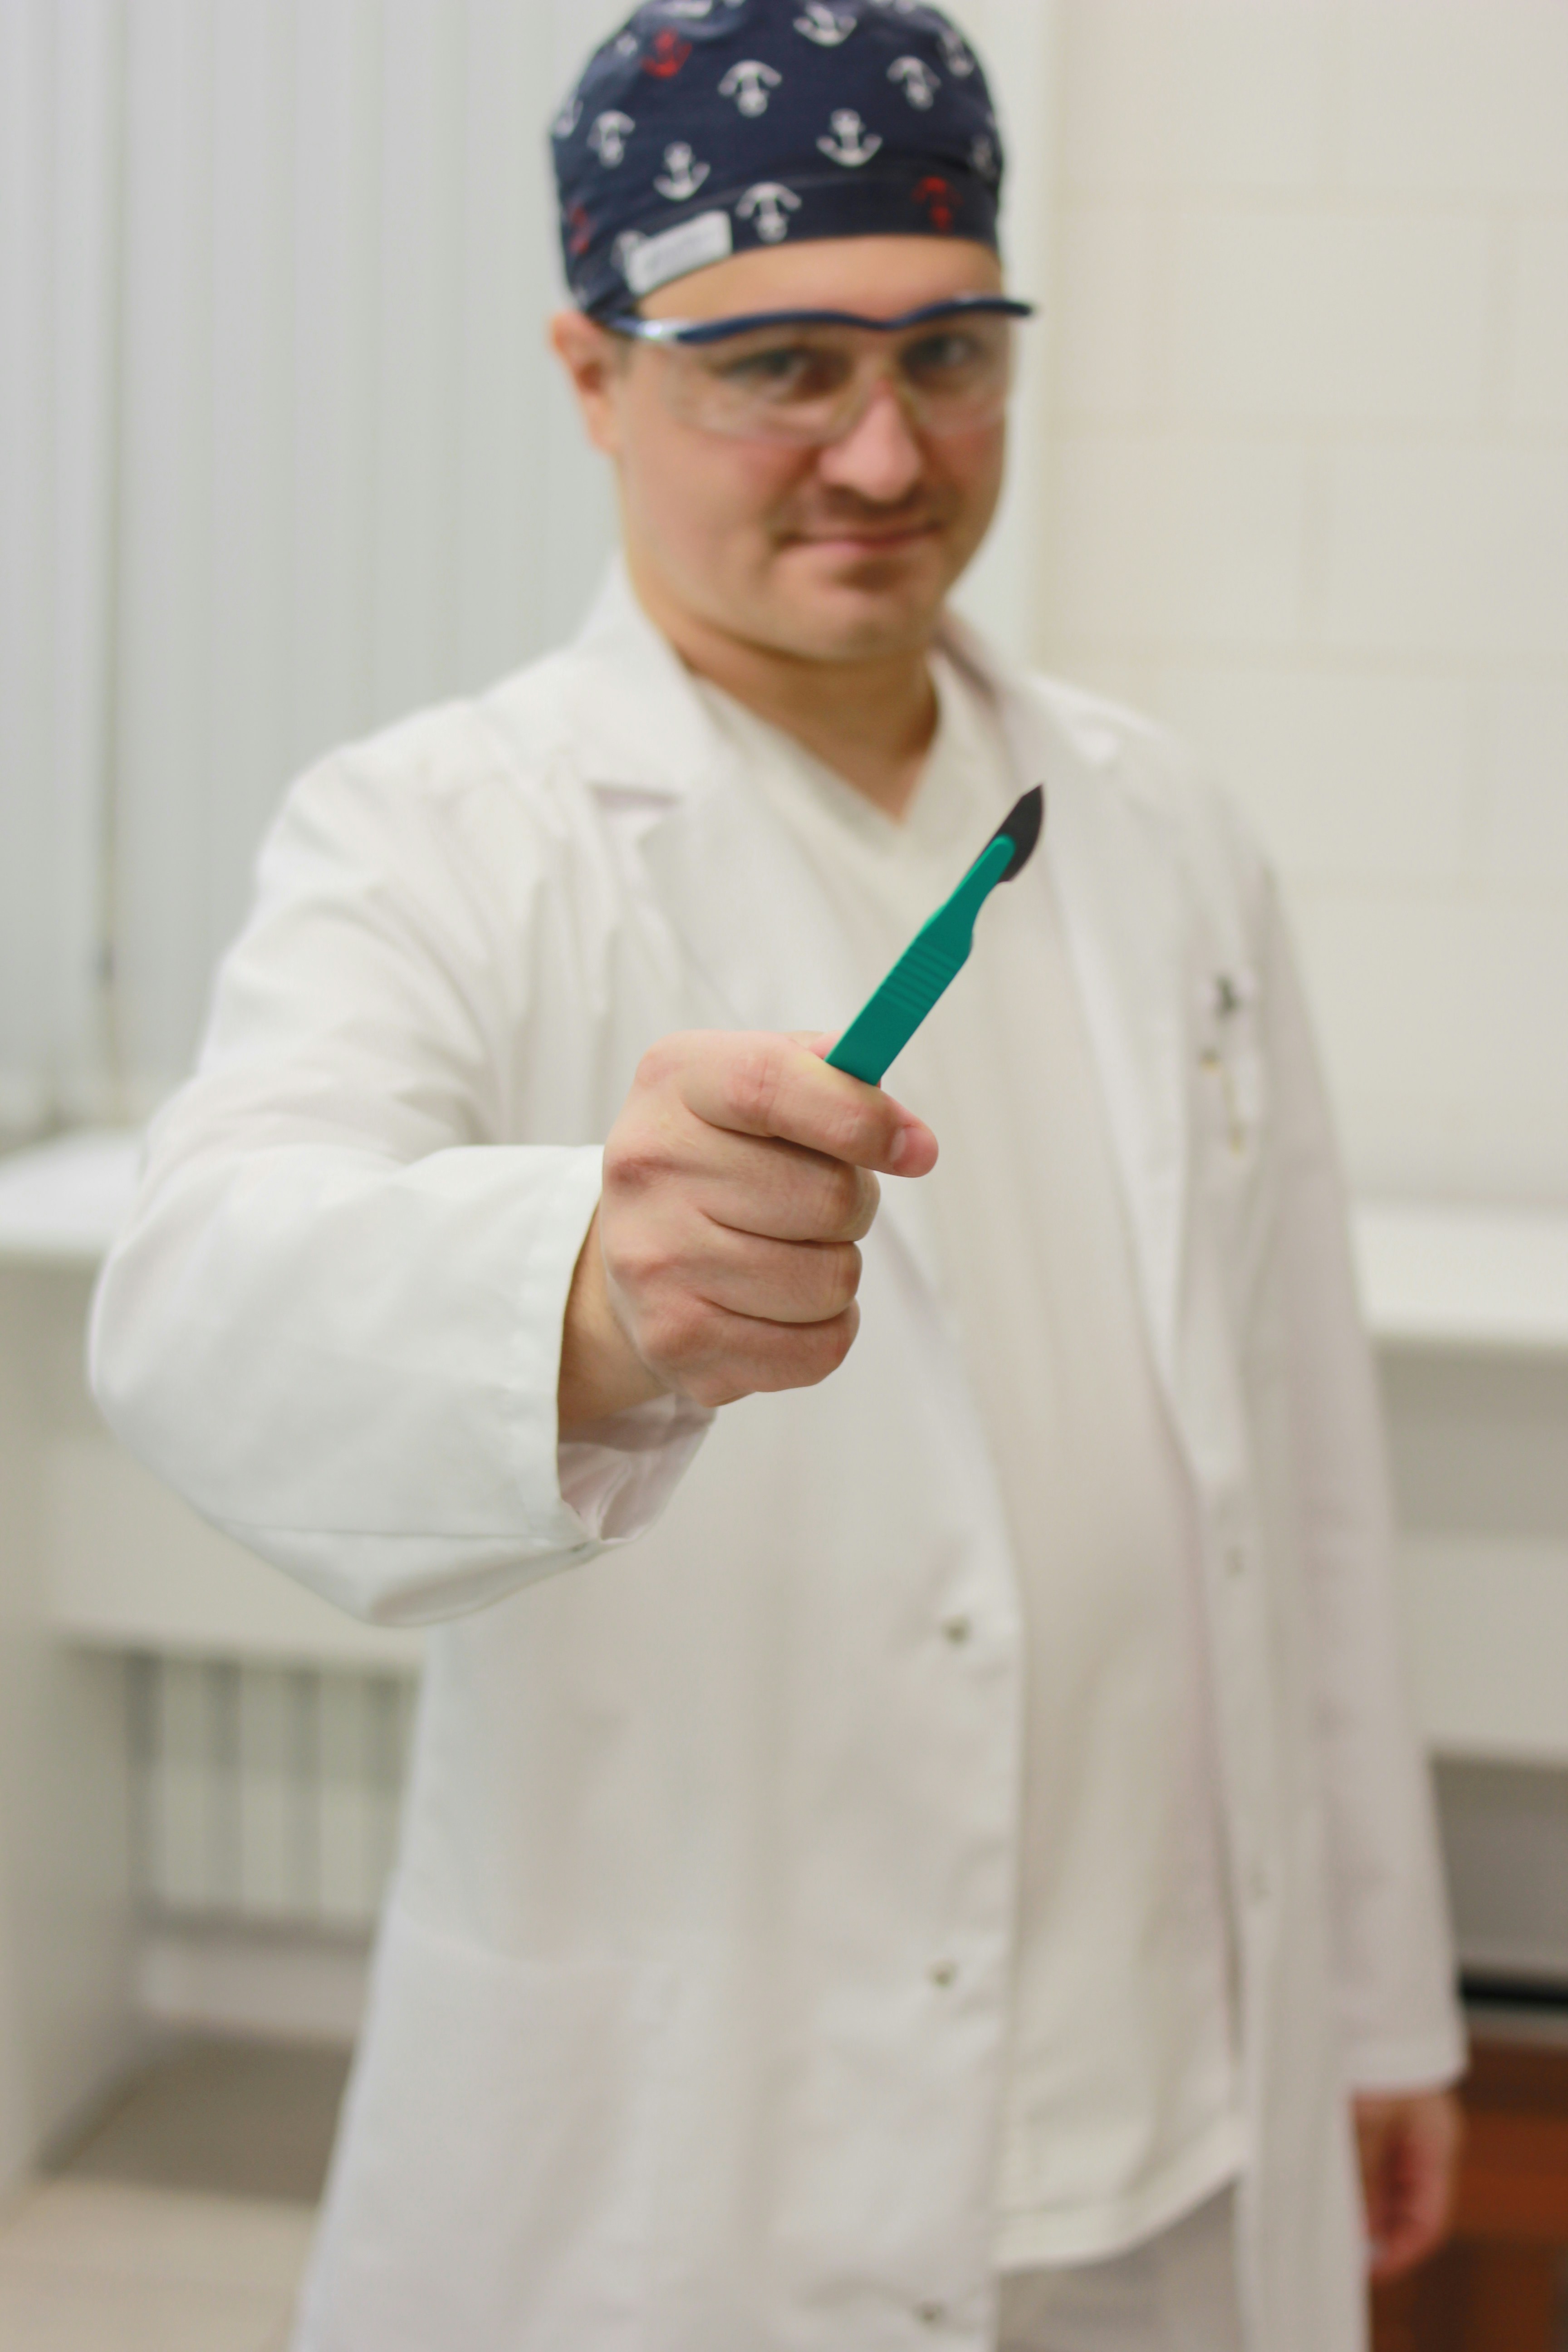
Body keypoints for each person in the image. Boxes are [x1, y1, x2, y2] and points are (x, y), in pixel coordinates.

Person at [90, 5, 1465, 2347]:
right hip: (700, 2170)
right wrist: (589, 1304)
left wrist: (1374, 1997)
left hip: (1177, 2113)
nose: (880, 448)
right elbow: (200, 1293)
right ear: (591, 373)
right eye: (777, 367)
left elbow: (1295, 1464)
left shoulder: (1161, 828)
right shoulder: (442, 833)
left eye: (949, 351)